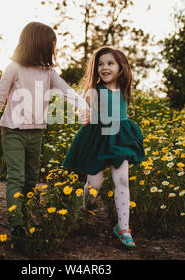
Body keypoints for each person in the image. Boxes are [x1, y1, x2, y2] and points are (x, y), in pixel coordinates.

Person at [0, 21, 90, 240]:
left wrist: (83, 106)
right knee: (16, 177)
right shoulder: (14, 68)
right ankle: (16, 224)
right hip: (13, 130)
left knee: (31, 179)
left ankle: (26, 216)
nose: (54, 49)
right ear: (37, 44)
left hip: (36, 132)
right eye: (51, 45)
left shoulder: (48, 72)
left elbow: (66, 91)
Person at [61, 46, 145, 248]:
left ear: (120, 68)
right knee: (94, 185)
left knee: (121, 180)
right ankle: (85, 211)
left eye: (110, 63)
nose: (104, 67)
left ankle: (123, 227)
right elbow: (84, 112)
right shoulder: (94, 91)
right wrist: (85, 115)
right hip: (98, 140)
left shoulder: (124, 89)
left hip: (119, 139)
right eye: (100, 64)